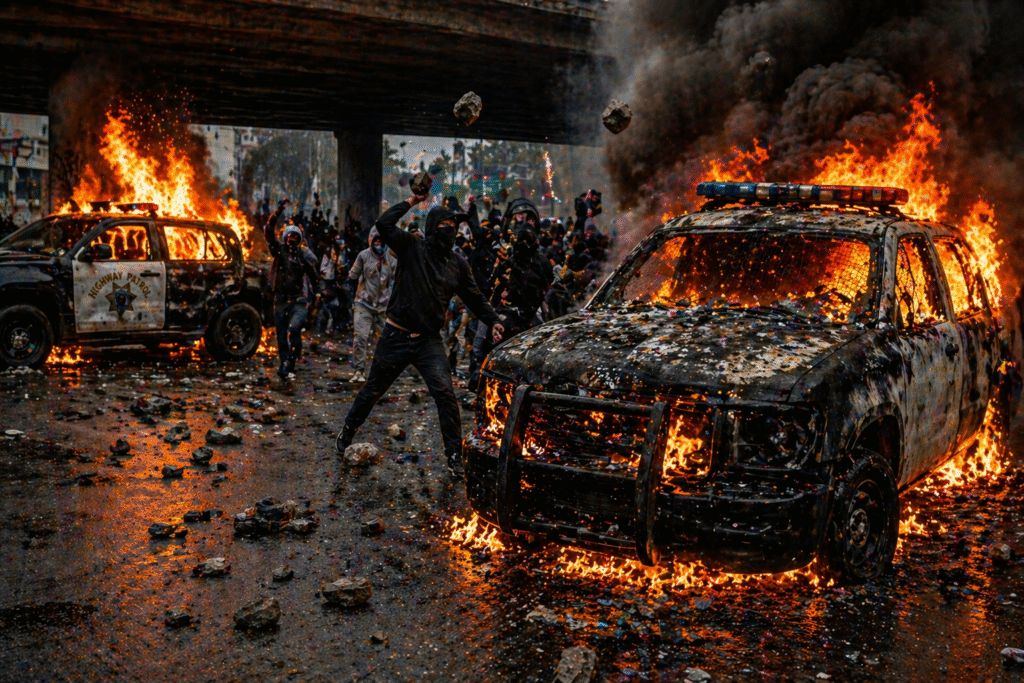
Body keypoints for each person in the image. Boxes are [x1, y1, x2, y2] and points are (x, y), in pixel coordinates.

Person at [336, 192, 505, 477]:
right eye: (446, 225)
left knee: (446, 396)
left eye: (455, 225)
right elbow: (384, 224)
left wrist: (494, 320)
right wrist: (412, 200)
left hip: (428, 342)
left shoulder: (458, 264)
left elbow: (475, 298)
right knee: (372, 391)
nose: (451, 230)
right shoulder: (411, 246)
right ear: (433, 227)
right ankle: (347, 432)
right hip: (395, 337)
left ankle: (454, 458)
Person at [469, 198, 554, 391]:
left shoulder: (533, 262)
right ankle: (479, 377)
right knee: (482, 340)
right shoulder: (510, 259)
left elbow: (548, 287)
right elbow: (496, 286)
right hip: (507, 313)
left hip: (528, 315)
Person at [265, 198, 323, 379]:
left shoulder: (304, 255)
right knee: (281, 334)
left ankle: (293, 356)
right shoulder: (279, 251)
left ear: (299, 240)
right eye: (289, 238)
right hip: (281, 299)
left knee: (294, 329)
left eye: (295, 238)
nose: (292, 241)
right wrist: (279, 210)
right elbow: (268, 230)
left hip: (299, 299)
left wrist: (319, 291)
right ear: (284, 239)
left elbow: (314, 274)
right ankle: (285, 362)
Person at [347, 227, 397, 383]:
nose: (378, 244)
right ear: (371, 241)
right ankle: (359, 371)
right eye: (376, 241)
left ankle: (382, 373)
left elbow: (396, 282)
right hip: (364, 304)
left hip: (383, 307)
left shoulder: (392, 259)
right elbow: (353, 275)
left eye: (381, 241)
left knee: (385, 342)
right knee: (360, 337)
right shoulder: (363, 256)